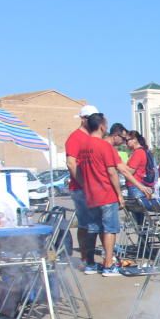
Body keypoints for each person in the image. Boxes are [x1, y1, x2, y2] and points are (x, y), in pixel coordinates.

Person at [80, 113, 124, 276]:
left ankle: (90, 264)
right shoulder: (104, 146)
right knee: (109, 229)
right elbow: (112, 172)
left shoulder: (83, 146)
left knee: (92, 229)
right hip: (106, 194)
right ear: (102, 126)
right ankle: (108, 264)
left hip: (90, 195)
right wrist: (119, 194)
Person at [65, 105, 100, 270]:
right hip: (80, 189)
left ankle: (90, 257)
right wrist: (85, 185)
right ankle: (86, 258)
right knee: (85, 224)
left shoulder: (92, 137)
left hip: (93, 188)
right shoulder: (75, 138)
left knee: (95, 223)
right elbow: (71, 164)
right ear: (84, 119)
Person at [124, 131, 155, 200]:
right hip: (140, 186)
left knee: (137, 210)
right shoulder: (143, 151)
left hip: (135, 187)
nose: (125, 143)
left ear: (134, 139)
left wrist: (120, 165)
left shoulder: (138, 153)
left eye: (127, 140)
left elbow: (130, 171)